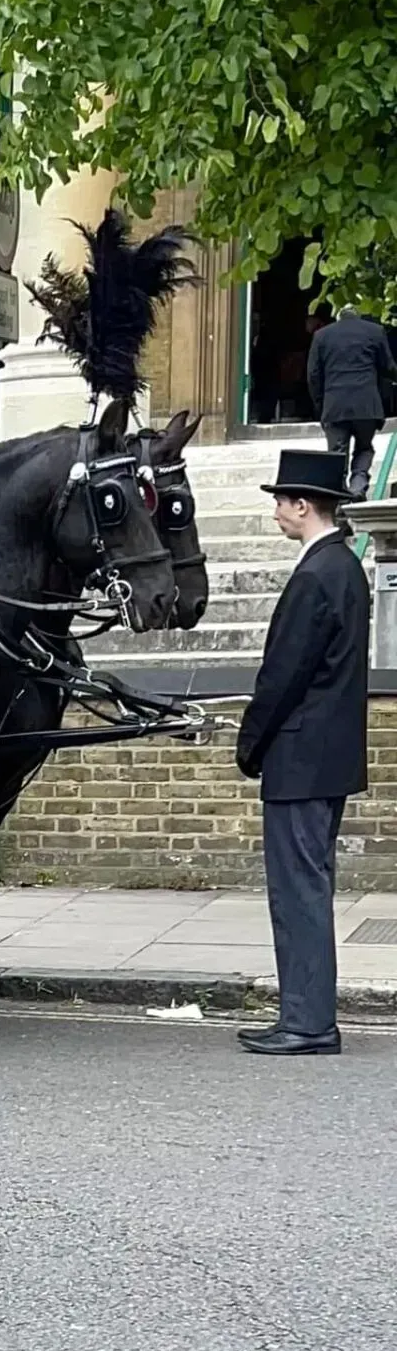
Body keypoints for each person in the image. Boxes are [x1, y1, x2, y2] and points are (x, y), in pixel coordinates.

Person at [234, 448, 370, 1056]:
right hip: (329, 757)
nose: (276, 516)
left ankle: (309, 1022)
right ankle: (307, 1014)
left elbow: (283, 675)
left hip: (299, 758)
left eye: (280, 505)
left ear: (302, 505)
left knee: (297, 893)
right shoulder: (345, 567)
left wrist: (249, 743)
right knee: (308, 886)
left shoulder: (315, 575)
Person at [306, 304, 394, 498]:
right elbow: (387, 367)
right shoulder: (375, 331)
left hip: (334, 405)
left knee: (337, 452)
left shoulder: (322, 336)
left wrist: (320, 404)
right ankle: (358, 485)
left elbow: (313, 375)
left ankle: (339, 494)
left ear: (338, 316)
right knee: (364, 447)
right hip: (366, 404)